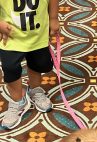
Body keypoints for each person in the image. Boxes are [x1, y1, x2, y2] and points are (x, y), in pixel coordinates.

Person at [0, 0, 59, 129]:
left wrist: (53, 18)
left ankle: (35, 89)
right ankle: (18, 100)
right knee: (10, 68)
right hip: (10, 37)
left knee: (38, 63)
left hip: (38, 35)